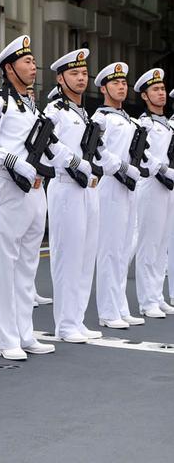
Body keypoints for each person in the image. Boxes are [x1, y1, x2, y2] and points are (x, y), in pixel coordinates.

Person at [0, 36, 58, 360]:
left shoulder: (32, 105)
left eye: (32, 61)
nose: (32, 66)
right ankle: (7, 339)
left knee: (28, 265)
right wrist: (9, 160)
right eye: (26, 61)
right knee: (5, 265)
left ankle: (25, 333)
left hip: (35, 190)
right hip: (8, 188)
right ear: (9, 67)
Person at [43, 49, 106, 343]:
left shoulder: (84, 114)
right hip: (66, 186)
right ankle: (65, 323)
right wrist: (72, 161)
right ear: (60, 78)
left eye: (83, 74)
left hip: (89, 188)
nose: (81, 79)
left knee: (85, 256)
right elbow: (46, 144)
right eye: (74, 74)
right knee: (68, 256)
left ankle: (77, 318)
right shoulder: (54, 111)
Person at [92, 62, 150, 329]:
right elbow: (96, 150)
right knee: (109, 250)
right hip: (110, 185)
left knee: (123, 246)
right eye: (115, 83)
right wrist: (122, 166)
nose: (121, 87)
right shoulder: (100, 119)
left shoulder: (131, 120)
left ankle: (120, 306)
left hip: (129, 186)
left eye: (124, 83)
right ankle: (107, 310)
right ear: (104, 88)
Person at [133, 68, 174, 318]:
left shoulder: (166, 124)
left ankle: (157, 295)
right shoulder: (144, 123)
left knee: (161, 244)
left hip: (167, 186)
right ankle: (146, 300)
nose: (161, 94)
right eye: (155, 90)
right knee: (149, 243)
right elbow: (141, 153)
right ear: (145, 96)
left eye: (162, 89)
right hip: (150, 184)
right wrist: (161, 169)